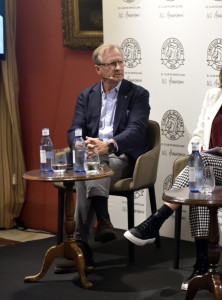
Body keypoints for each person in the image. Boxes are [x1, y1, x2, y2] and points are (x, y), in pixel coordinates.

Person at [124, 46, 222, 290]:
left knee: (200, 171)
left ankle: (156, 220)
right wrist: (196, 149)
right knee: (198, 186)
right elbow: (198, 134)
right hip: (210, 165)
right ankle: (202, 266)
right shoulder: (213, 96)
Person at [61, 43, 150, 270]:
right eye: (112, 64)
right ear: (98, 68)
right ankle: (102, 220)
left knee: (89, 168)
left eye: (120, 62)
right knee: (90, 164)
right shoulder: (86, 95)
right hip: (93, 157)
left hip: (123, 159)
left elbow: (137, 130)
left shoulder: (137, 94)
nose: (118, 67)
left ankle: (79, 246)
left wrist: (108, 145)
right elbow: (75, 129)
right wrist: (82, 145)